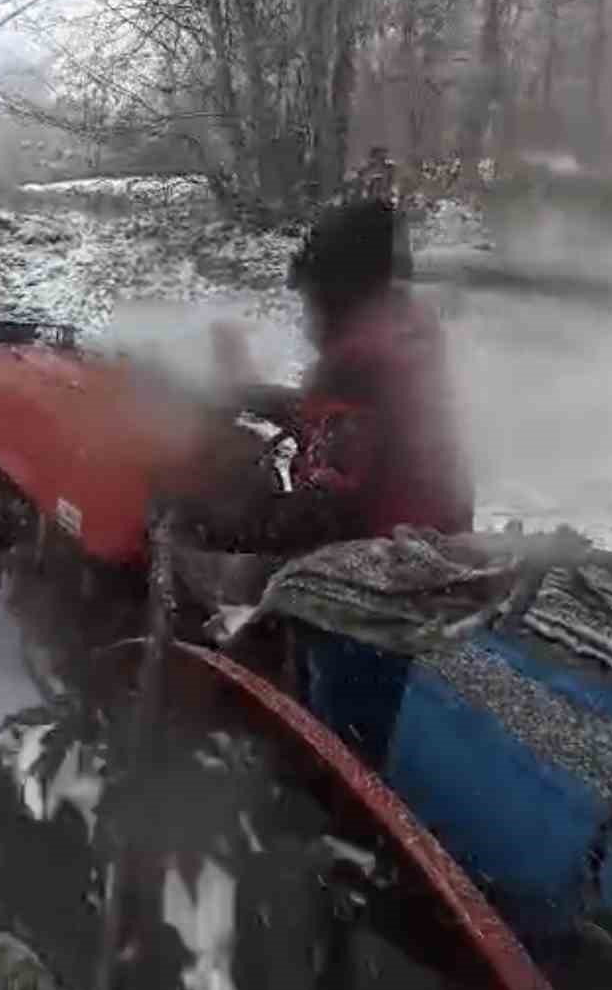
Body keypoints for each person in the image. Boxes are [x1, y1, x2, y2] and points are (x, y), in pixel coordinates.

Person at [192, 195, 474, 770]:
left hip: (379, 579)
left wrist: (209, 519)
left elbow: (326, 512)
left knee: (338, 751)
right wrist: (264, 398)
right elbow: (362, 430)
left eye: (308, 297)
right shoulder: (407, 332)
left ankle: (329, 806)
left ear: (334, 293)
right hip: (435, 545)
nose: (303, 314)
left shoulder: (356, 363)